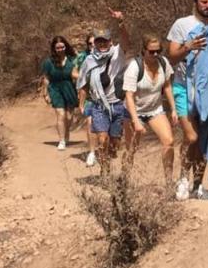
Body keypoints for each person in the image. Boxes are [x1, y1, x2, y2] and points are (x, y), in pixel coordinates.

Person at [166, 0, 208, 200]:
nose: (207, 6)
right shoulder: (182, 24)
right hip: (183, 87)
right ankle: (182, 179)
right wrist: (188, 46)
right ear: (195, 2)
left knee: (204, 139)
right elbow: (172, 57)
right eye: (203, 2)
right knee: (191, 136)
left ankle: (198, 184)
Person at [123, 34, 178, 186]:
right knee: (131, 149)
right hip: (135, 110)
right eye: (151, 51)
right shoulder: (134, 67)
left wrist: (173, 109)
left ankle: (169, 182)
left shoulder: (163, 63)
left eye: (158, 51)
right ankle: (124, 182)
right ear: (143, 51)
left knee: (169, 141)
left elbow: (166, 85)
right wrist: (136, 121)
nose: (155, 54)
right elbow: (129, 96)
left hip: (155, 109)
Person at [77, 11, 130, 170]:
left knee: (114, 144)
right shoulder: (89, 60)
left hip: (117, 105)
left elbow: (126, 41)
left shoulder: (117, 54)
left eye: (105, 41)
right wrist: (81, 104)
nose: (101, 44)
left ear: (110, 41)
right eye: (98, 41)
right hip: (99, 106)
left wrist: (121, 23)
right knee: (102, 139)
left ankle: (108, 157)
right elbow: (83, 83)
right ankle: (105, 171)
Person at [40, 36, 79, 150]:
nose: (60, 49)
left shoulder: (72, 59)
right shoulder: (48, 62)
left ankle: (66, 134)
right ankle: (62, 140)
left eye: (62, 47)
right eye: (57, 48)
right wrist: (45, 93)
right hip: (55, 88)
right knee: (61, 114)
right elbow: (46, 78)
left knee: (69, 117)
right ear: (54, 49)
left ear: (65, 46)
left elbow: (76, 73)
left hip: (69, 87)